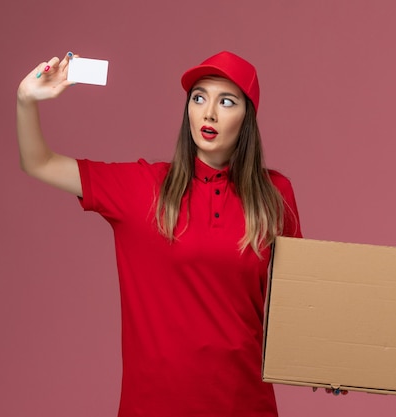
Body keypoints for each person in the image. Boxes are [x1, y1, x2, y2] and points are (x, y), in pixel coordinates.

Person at [16, 50, 302, 417]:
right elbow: (38, 162)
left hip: (245, 407)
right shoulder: (142, 188)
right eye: (198, 98)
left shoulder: (274, 196)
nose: (209, 113)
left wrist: (331, 364)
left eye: (226, 101)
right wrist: (26, 101)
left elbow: (295, 306)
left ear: (248, 117)